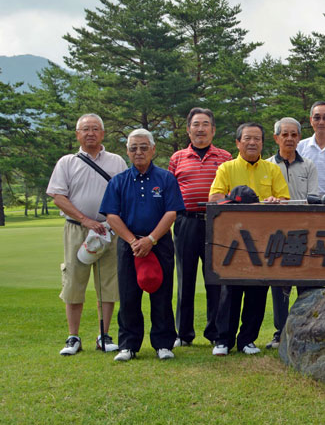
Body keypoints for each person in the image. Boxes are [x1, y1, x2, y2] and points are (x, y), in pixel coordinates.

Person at [100, 129, 185, 361]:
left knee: (162, 295)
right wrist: (133, 241)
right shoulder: (118, 181)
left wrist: (151, 240)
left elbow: (171, 212)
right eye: (133, 148)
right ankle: (128, 344)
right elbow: (111, 215)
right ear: (127, 152)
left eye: (144, 147)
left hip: (159, 243)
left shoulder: (166, 179)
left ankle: (163, 343)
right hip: (129, 245)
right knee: (129, 296)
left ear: (153, 150)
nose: (139, 152)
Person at [47, 113, 128, 355]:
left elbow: (124, 194)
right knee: (74, 282)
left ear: (103, 133)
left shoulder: (116, 161)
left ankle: (104, 335)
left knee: (108, 284)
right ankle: (73, 337)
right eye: (85, 129)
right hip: (77, 228)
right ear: (77, 135)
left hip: (108, 230)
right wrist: (85, 220)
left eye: (95, 129)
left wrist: (111, 222)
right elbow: (58, 196)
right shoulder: (67, 162)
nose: (90, 133)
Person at [208, 122, 291, 356]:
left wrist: (275, 201)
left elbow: (285, 199)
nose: (252, 143)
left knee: (257, 291)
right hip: (233, 240)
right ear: (238, 143)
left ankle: (247, 339)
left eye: (257, 139)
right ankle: (223, 340)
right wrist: (235, 199)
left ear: (263, 143)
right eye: (247, 138)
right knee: (229, 290)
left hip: (262, 239)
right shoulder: (227, 168)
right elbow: (214, 198)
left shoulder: (272, 169)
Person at [168, 107, 232, 349]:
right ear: (188, 130)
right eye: (196, 124)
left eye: (205, 124)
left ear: (213, 130)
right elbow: (170, 191)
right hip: (186, 221)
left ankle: (215, 331)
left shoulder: (224, 157)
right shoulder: (177, 158)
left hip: (217, 222)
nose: (201, 129)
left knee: (215, 279)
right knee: (185, 278)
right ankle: (183, 333)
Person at [264, 117, 319, 349]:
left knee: (305, 282)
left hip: (303, 230)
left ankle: (304, 330)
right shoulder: (267, 165)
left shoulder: (309, 166)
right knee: (279, 284)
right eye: (284, 134)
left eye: (294, 135)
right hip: (276, 232)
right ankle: (280, 332)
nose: (289, 139)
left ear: (299, 138)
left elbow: (312, 198)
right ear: (276, 138)